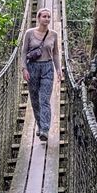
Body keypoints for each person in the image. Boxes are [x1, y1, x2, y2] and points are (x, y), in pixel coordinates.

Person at [22, 7, 61, 142]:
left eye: (48, 17)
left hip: (47, 68)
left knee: (44, 99)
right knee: (35, 100)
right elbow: (23, 52)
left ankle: (44, 129)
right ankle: (39, 124)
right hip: (32, 68)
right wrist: (24, 68)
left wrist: (59, 69)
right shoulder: (29, 33)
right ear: (38, 18)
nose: (47, 19)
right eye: (44, 16)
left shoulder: (54, 35)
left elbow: (55, 53)